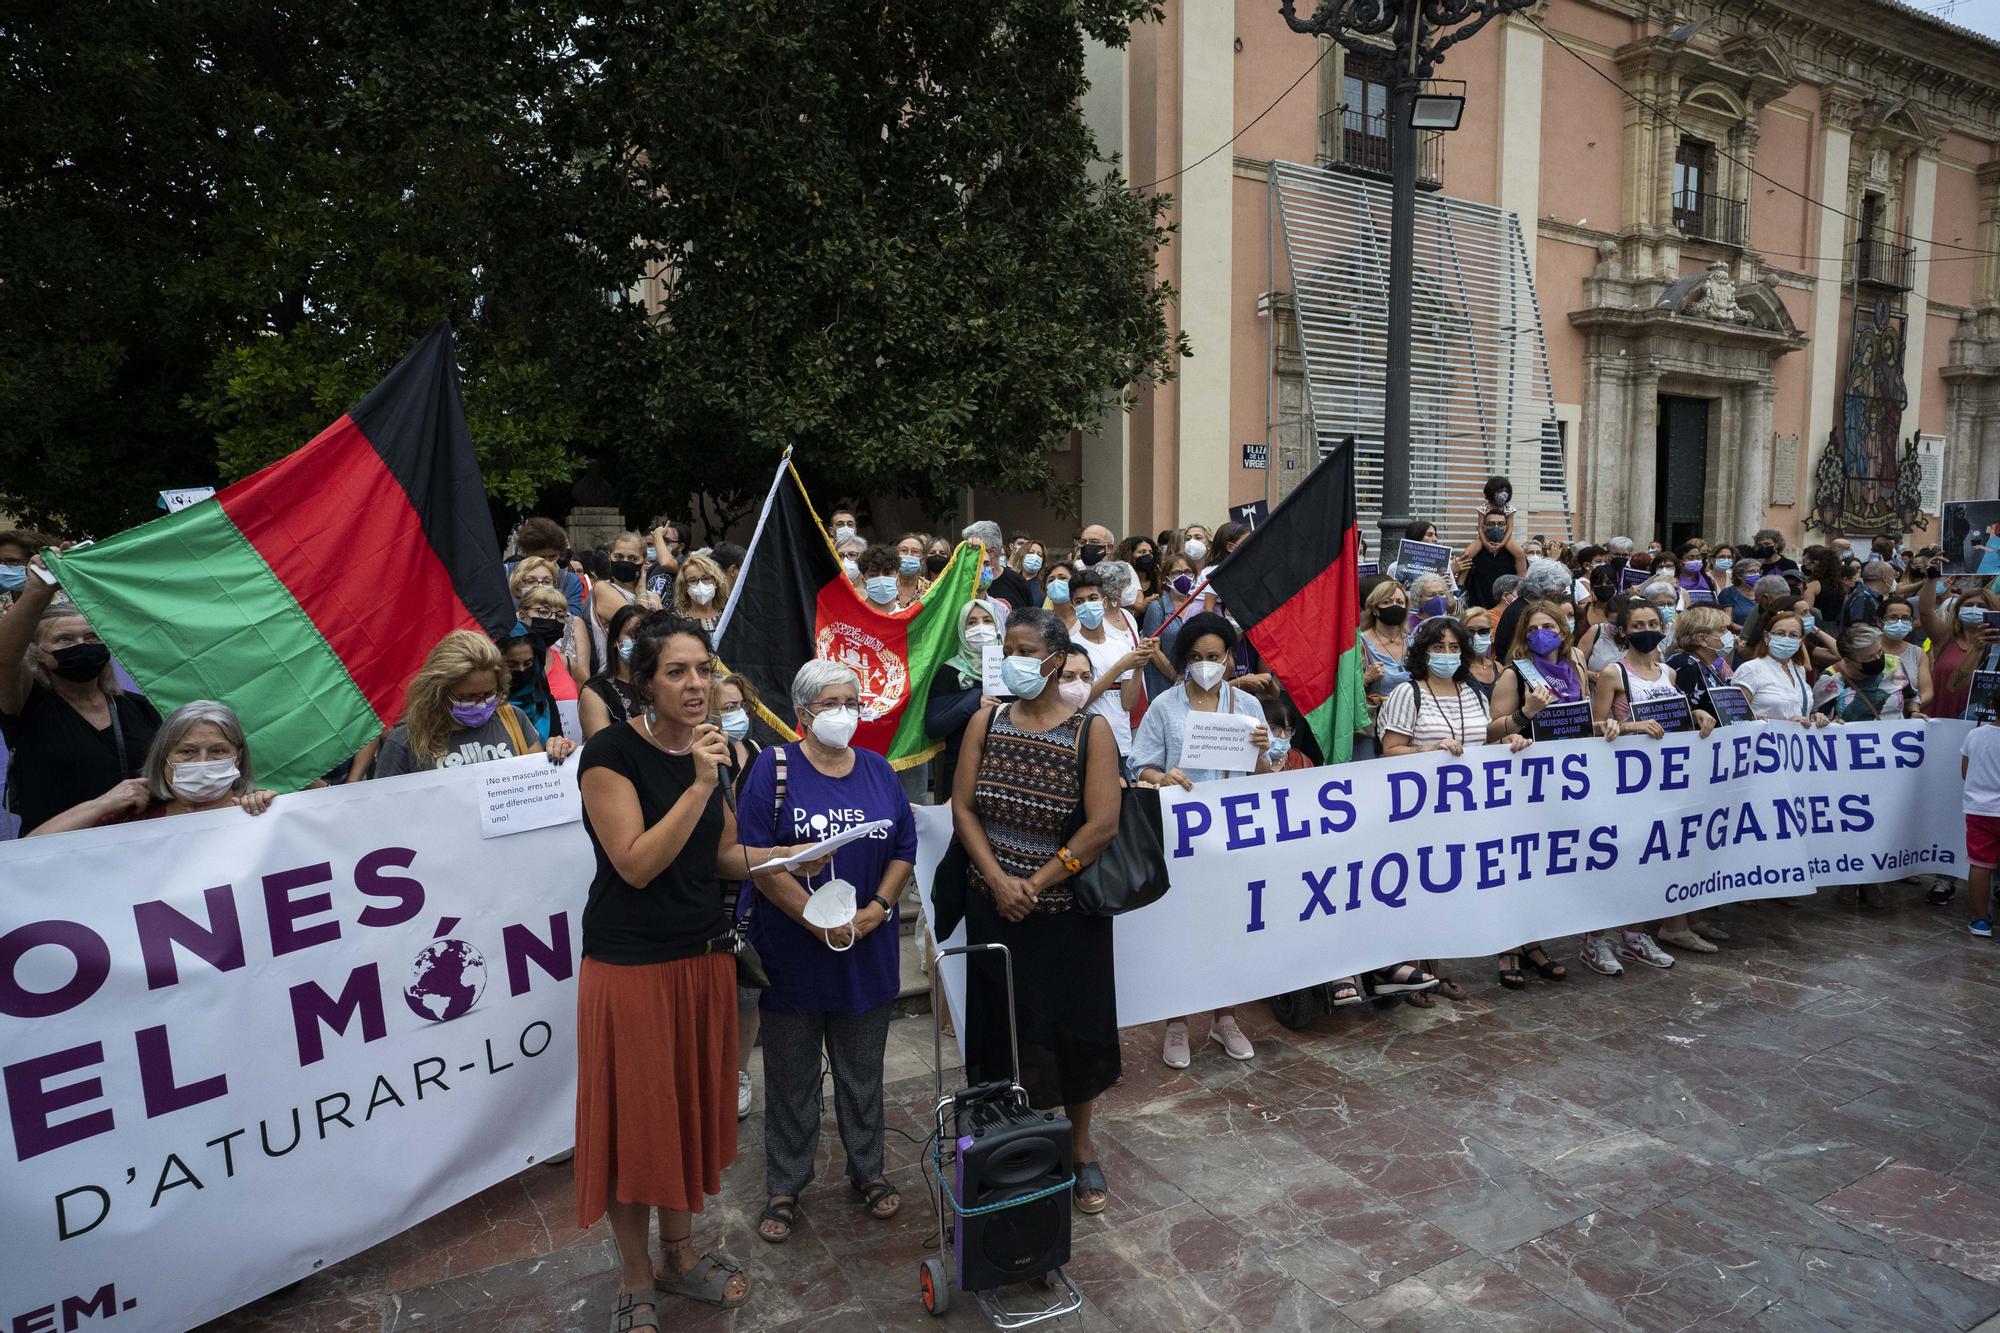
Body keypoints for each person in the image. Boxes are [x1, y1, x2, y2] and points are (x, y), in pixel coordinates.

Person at [574, 613, 828, 1321]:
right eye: (676, 671)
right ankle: (634, 1277)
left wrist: (787, 858)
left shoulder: (716, 752)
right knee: (635, 1127)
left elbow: (720, 857)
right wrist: (697, 781)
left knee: (685, 1116)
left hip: (703, 957)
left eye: (703, 668)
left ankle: (681, 1253)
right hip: (632, 968)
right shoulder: (609, 756)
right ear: (643, 682)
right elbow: (636, 861)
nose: (695, 685)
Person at [734, 660, 917, 1243]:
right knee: (791, 1075)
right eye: (830, 703)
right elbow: (754, 858)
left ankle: (869, 1172)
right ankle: (786, 1183)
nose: (843, 713)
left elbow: (904, 848)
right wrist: (814, 921)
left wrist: (880, 909)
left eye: (851, 701)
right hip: (794, 949)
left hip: (866, 947)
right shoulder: (773, 768)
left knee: (863, 1073)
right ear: (803, 713)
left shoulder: (879, 770)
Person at [953, 609, 1122, 1215]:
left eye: (1024, 649)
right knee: (1001, 1025)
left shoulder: (1091, 732)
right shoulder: (986, 721)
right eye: (1008, 647)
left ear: (1054, 659)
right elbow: (964, 807)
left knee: (1071, 1029)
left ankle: (1079, 1147)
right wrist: (1000, 882)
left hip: (1065, 915)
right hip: (993, 907)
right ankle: (1004, 1141)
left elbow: (1102, 825)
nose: (1013, 659)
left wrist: (1035, 882)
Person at [1130, 613, 1272, 1065]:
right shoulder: (1165, 707)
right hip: (1182, 838)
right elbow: (1139, 766)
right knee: (1181, 928)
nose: (1206, 665)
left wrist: (1265, 751)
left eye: (1215, 657)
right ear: (1183, 660)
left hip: (1234, 836)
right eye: (1196, 658)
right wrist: (1163, 775)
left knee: (1229, 928)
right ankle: (1176, 1022)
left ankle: (1224, 1019)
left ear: (1230, 658)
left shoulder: (1247, 707)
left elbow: (1266, 777)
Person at [1378, 616, 1532, 1002]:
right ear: (1422, 652)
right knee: (1416, 891)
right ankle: (1412, 970)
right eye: (1438, 647)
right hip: (1419, 812)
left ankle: (1434, 970)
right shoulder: (1407, 693)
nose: (1447, 655)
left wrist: (1512, 733)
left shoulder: (1473, 692)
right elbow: (1390, 750)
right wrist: (1427, 750)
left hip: (1464, 811)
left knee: (1443, 894)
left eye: (1454, 648)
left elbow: (1484, 735)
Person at [1579, 598, 1714, 976]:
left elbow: (1675, 717)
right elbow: (1593, 726)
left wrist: (1698, 713)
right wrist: (1630, 727)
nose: (1646, 630)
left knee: (1649, 861)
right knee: (1613, 863)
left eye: (1652, 623)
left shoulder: (1667, 673)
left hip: (1661, 784)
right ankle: (1594, 940)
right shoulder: (1613, 673)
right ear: (1623, 631)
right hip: (1622, 783)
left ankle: (1634, 934)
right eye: (1637, 625)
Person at [0, 571, 162, 835]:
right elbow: (4, 658)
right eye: (64, 640)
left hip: (138, 852)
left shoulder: (140, 707)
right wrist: (37, 590)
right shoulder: (27, 705)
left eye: (91, 637)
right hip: (58, 856)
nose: (81, 645)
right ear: (38, 653)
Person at [29, 699, 278, 834]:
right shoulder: (132, 818)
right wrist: (101, 804)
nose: (202, 761)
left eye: (217, 751)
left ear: (238, 757)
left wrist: (276, 811)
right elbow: (31, 851)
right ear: (163, 758)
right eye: (187, 751)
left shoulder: (259, 812)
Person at [373, 630, 574, 776]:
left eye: (489, 694)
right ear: (439, 691)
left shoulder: (512, 718)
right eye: (467, 697)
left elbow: (540, 782)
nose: (481, 703)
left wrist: (558, 752)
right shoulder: (404, 742)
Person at [925, 599, 1004, 800]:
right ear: (961, 629)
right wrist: (973, 701)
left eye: (987, 620)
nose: (981, 628)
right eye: (972, 622)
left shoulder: (1010, 666)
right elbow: (934, 726)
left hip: (1005, 769)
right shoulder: (949, 672)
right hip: (960, 770)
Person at [1069, 567, 1150, 762]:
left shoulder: (1121, 647)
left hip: (1122, 746)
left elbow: (1128, 703)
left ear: (1104, 602)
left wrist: (1138, 663)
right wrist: (1120, 667)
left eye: (1092, 598)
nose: (1087, 605)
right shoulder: (1071, 649)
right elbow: (1078, 703)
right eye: (1080, 602)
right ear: (1073, 607)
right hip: (1087, 746)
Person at [1732, 609, 1828, 725]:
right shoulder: (1750, 669)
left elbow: (1797, 708)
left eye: (1793, 635)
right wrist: (1783, 724)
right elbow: (1734, 717)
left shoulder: (1799, 670)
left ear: (1800, 641)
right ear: (1767, 637)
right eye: (1780, 634)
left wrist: (1814, 717)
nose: (1786, 639)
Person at [1816, 623, 1920, 722]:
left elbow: (1910, 697)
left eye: (1880, 651)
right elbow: (1818, 718)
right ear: (1848, 661)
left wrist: (1913, 712)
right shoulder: (1830, 679)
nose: (1878, 658)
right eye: (1869, 657)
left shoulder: (1893, 664)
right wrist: (1829, 722)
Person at [1356, 579, 1413, 761]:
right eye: (1387, 602)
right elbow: (1342, 690)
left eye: (1399, 602)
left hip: (1408, 723)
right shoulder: (1359, 643)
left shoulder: (1414, 643)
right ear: (1374, 608)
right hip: (1372, 728)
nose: (1394, 606)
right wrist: (1365, 678)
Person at [512, 557, 592, 684]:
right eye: (531, 581)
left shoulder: (573, 623)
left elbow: (584, 680)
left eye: (546, 581)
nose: (540, 586)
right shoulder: (507, 624)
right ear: (518, 587)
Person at [592, 530, 664, 667]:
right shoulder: (602, 588)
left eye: (632, 558)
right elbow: (637, 626)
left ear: (643, 561)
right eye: (618, 556)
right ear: (610, 558)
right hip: (616, 674)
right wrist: (642, 592)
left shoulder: (653, 597)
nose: (624, 562)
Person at [581, 605, 647, 739]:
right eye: (632, 635)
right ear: (615, 640)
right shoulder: (595, 692)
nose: (639, 641)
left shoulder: (661, 684)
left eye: (644, 636)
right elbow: (603, 751)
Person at [1961, 714, 2000, 938]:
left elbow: (1965, 773)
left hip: (1980, 811)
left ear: (1993, 706)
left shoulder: (1975, 735)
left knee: (1980, 865)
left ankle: (1980, 920)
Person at [1460, 480, 1526, 608]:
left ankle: (1522, 581)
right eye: (1500, 491)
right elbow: (1480, 528)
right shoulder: (1483, 508)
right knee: (1467, 553)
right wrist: (1486, 543)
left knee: (1519, 552)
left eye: (1506, 491)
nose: (1503, 494)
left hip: (1504, 537)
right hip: (1484, 537)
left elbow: (1510, 528)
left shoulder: (1509, 509)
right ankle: (1460, 585)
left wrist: (1502, 543)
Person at [511, 516, 587, 617]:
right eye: (540, 557)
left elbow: (574, 618)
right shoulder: (506, 573)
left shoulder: (570, 582)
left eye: (552, 557)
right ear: (527, 554)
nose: (546, 563)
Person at [1881, 596, 1934, 713]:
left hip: (1905, 718)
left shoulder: (1917, 653)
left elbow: (1927, 692)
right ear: (1879, 621)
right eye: (1892, 617)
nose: (1899, 622)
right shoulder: (1865, 650)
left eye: (1905, 618)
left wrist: (1912, 706)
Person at [673, 552, 729, 634]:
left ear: (716, 582)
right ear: (684, 586)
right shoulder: (675, 620)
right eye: (693, 580)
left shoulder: (727, 617)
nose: (700, 585)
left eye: (706, 578)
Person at [1844, 560, 1894, 630]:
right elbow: (1860, 631)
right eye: (1892, 576)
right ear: (1885, 578)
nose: (1893, 581)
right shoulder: (1862, 598)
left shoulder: (1869, 596)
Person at [1116, 534, 1161, 611]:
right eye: (1142, 552)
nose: (1148, 555)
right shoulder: (1120, 581)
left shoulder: (1157, 578)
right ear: (1129, 555)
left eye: (1150, 552)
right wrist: (1143, 606)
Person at [893, 533, 931, 608]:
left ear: (923, 559)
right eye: (904, 550)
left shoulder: (930, 589)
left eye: (915, 551)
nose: (909, 555)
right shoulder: (884, 585)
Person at [1012, 539, 1048, 605]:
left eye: (1039, 555)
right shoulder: (1011, 581)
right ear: (1022, 556)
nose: (1035, 557)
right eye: (1031, 553)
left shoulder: (1044, 586)